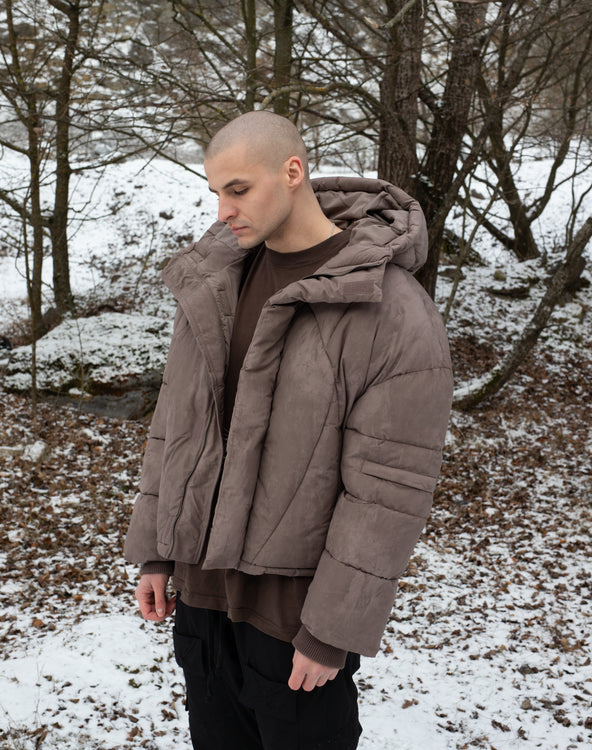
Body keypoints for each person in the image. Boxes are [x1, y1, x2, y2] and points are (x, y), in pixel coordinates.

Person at [124, 111, 453, 750]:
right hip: (201, 603)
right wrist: (157, 551)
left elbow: (387, 491)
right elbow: (176, 424)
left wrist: (333, 630)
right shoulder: (215, 284)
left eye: (238, 189)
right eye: (215, 192)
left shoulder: (391, 308)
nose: (223, 210)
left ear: (292, 172)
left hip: (293, 620)